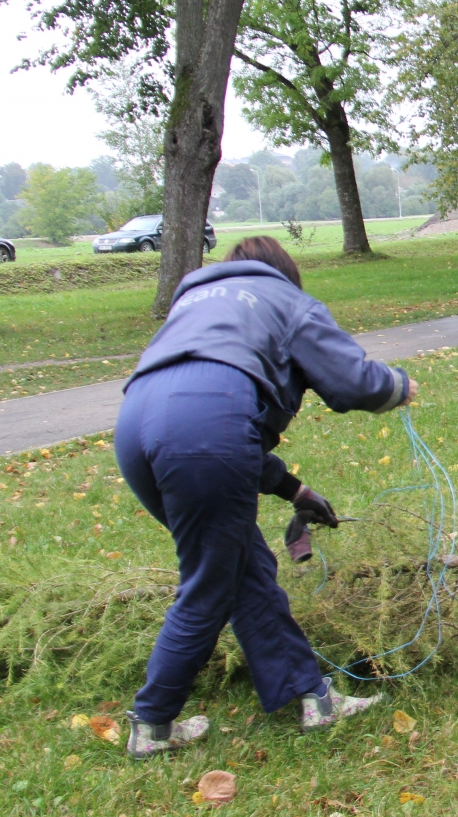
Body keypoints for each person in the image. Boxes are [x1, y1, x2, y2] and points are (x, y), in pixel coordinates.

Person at [115, 236, 418, 759]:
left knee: (244, 567)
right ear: (283, 270)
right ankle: (152, 721)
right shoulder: (284, 299)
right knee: (210, 580)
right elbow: (350, 382)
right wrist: (398, 386)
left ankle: (311, 697)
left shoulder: (194, 300)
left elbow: (201, 413)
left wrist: (294, 489)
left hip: (134, 427)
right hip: (202, 428)